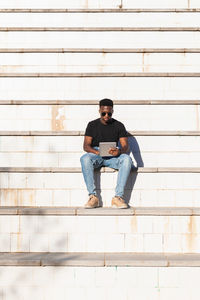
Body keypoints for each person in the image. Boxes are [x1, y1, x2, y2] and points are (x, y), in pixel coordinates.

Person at [80, 98, 133, 208]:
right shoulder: (92, 125)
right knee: (85, 158)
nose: (106, 116)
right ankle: (93, 197)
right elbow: (86, 146)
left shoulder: (119, 125)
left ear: (112, 111)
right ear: (99, 110)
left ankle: (118, 197)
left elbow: (125, 146)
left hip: (113, 155)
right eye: (103, 113)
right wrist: (97, 152)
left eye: (109, 113)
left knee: (127, 159)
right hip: (96, 154)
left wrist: (119, 151)